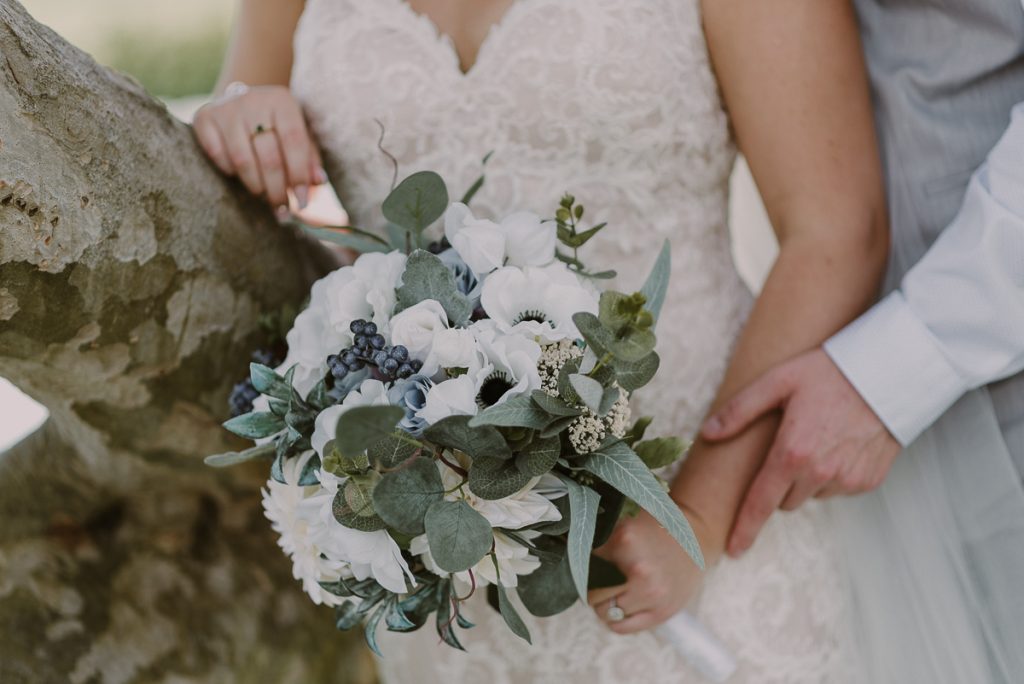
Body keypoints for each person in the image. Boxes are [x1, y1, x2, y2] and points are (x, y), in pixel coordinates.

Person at [193, 0, 889, 681]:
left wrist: (698, 518)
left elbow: (836, 232)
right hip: (452, 567)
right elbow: (252, 141)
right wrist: (244, 115)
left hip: (707, 522)